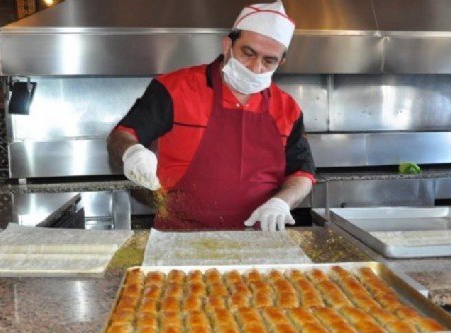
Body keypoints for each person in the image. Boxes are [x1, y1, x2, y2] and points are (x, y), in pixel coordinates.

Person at [107, 1, 316, 231]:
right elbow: (123, 134)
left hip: (259, 240)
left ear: (281, 62)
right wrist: (132, 153)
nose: (256, 68)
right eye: (248, 53)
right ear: (227, 45)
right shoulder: (175, 89)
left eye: (269, 61)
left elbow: (302, 172)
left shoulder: (287, 108)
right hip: (180, 237)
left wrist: (281, 203)